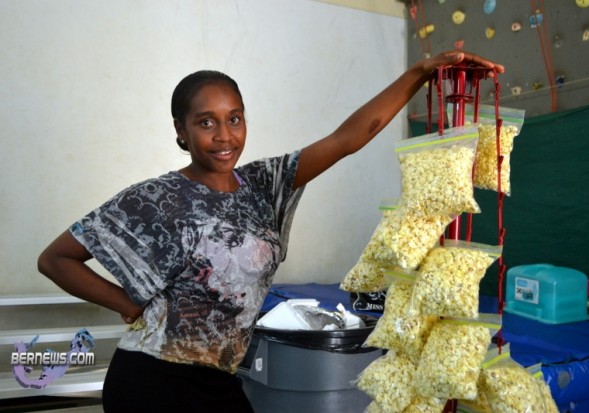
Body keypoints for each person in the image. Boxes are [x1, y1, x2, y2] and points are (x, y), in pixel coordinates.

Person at [37, 50, 504, 412]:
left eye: (234, 118)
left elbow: (348, 138)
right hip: (154, 381)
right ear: (181, 131)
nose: (224, 135)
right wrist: (128, 303)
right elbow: (56, 259)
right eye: (206, 122)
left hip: (221, 379)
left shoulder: (266, 183)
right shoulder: (158, 197)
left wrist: (420, 71)